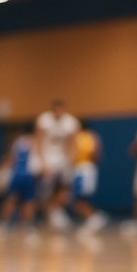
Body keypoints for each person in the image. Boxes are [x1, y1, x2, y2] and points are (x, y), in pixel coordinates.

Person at [0, 123, 41, 243]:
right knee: (30, 201)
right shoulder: (36, 142)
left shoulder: (18, 142)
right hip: (29, 175)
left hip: (17, 175)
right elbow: (39, 158)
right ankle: (28, 227)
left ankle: (3, 225)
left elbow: (12, 159)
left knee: (11, 199)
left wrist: (4, 174)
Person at [36, 99, 80, 231]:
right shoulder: (44, 120)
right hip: (47, 160)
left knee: (64, 190)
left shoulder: (71, 122)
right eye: (56, 111)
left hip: (63, 161)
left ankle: (56, 212)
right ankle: (51, 215)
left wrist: (71, 161)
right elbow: (38, 141)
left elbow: (74, 143)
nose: (58, 113)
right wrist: (43, 163)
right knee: (45, 191)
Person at [70, 119, 107, 234]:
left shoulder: (77, 137)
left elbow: (73, 155)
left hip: (81, 169)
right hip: (91, 169)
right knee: (82, 198)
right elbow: (98, 154)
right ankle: (93, 218)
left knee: (79, 199)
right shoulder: (94, 136)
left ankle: (94, 218)